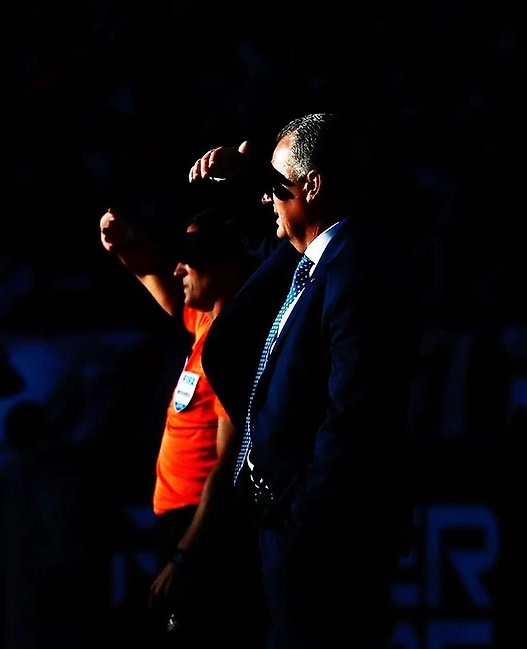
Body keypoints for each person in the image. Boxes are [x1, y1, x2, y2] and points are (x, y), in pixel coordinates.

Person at [188, 112, 426, 648]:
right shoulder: (314, 261)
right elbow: (263, 247)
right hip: (288, 527)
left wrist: (303, 523)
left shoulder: (358, 269)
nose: (267, 198)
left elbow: (354, 419)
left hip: (324, 541)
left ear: (312, 187)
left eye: (276, 185)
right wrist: (248, 178)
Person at [99, 203, 265, 648]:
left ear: (223, 264)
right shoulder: (206, 325)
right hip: (179, 525)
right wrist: (126, 245)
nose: (178, 269)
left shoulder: (233, 348)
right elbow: (155, 277)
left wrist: (184, 555)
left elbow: (228, 466)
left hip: (201, 531)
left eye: (191, 260)